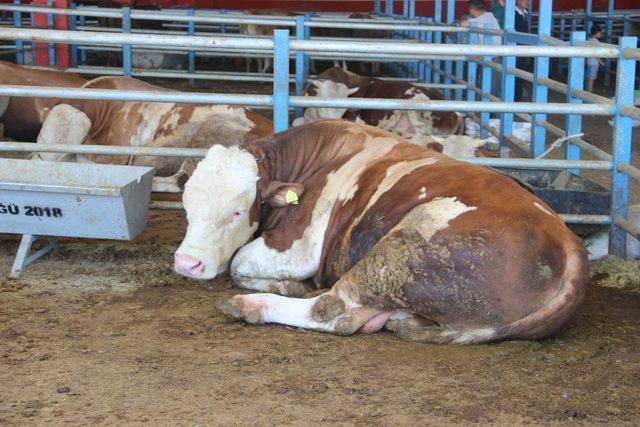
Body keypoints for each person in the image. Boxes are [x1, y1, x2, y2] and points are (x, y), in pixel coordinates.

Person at [460, 0, 502, 99]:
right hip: (495, 58)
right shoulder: (490, 16)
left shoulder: (478, 21)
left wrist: (463, 20)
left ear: (471, 9)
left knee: (487, 89)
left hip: (490, 58)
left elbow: (462, 24)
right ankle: (489, 112)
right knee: (491, 88)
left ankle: (487, 112)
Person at [514, 0, 532, 101]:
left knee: (520, 76)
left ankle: (517, 99)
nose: (527, 2)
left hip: (523, 50)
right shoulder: (514, 15)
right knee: (516, 75)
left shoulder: (524, 14)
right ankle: (515, 99)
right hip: (517, 51)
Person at [586, 23, 605, 93]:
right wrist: (601, 62)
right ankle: (590, 92)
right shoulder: (597, 42)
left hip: (589, 61)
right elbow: (597, 54)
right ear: (597, 33)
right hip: (594, 62)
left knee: (588, 76)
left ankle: (587, 90)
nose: (600, 35)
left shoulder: (588, 40)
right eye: (600, 33)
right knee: (592, 78)